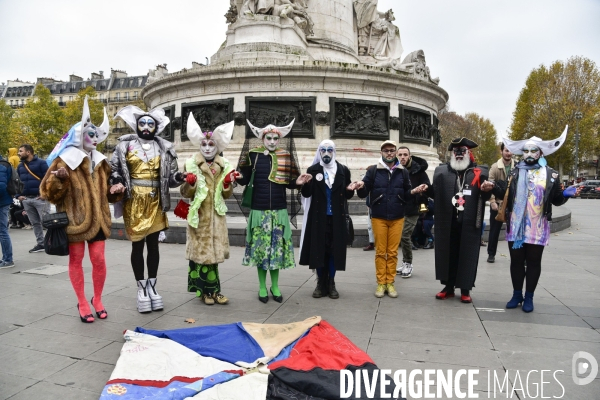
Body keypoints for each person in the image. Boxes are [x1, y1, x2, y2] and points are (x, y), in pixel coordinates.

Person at [40, 97, 121, 323]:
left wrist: (116, 190)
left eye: (97, 135)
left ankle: (97, 298)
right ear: (79, 136)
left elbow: (108, 195)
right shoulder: (63, 161)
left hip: (99, 220)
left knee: (99, 259)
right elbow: (48, 193)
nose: (95, 139)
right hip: (75, 221)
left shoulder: (103, 162)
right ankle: (82, 301)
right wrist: (60, 180)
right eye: (90, 134)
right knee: (76, 259)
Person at [490, 127, 581, 313]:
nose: (529, 154)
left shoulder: (551, 174)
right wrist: (490, 187)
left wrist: (566, 193)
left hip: (537, 226)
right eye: (526, 151)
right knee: (515, 261)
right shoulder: (514, 172)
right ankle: (517, 294)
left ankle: (529, 296)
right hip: (516, 225)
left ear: (541, 152)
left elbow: (555, 199)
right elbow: (505, 193)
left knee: (533, 262)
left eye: (533, 151)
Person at [110, 106, 187, 313]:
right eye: (142, 123)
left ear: (156, 127)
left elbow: (170, 179)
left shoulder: (165, 148)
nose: (145, 127)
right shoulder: (124, 146)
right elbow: (114, 169)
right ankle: (141, 288)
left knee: (154, 245)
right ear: (136, 126)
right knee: (137, 245)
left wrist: (179, 178)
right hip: (133, 201)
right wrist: (116, 181)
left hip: (156, 201)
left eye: (150, 124)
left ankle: (152, 286)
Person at [236, 119, 311, 303]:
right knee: (261, 252)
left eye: (275, 138)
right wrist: (237, 177)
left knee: (276, 252)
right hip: (259, 211)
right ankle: (262, 287)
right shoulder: (253, 155)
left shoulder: (285, 156)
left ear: (279, 140)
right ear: (262, 139)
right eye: (268, 138)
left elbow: (289, 182)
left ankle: (275, 286)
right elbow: (245, 179)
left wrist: (298, 182)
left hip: (279, 212)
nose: (271, 141)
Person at [350, 140, 425, 298]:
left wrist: (413, 192)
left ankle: (390, 283)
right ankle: (380, 283)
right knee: (380, 252)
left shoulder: (402, 171)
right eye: (386, 151)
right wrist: (361, 185)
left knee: (392, 253)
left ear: (395, 152)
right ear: (381, 153)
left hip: (397, 216)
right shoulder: (374, 171)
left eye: (392, 150)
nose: (389, 153)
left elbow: (405, 194)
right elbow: (364, 193)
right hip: (378, 217)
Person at [180, 115, 237, 306]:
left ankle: (214, 290)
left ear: (217, 146)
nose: (206, 147)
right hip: (200, 217)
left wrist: (228, 184)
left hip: (216, 217)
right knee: (202, 256)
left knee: (212, 257)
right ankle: (206, 291)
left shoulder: (224, 166)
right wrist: (191, 184)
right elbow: (185, 192)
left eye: (211, 144)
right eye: (203, 144)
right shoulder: (191, 164)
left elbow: (226, 195)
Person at [429, 138, 493, 303]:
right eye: (455, 151)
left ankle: (465, 289)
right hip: (448, 221)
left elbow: (485, 195)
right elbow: (434, 192)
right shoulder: (442, 172)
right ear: (451, 154)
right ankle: (448, 287)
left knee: (468, 254)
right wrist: (423, 191)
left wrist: (488, 190)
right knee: (447, 253)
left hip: (469, 222)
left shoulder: (479, 172)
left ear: (468, 153)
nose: (458, 154)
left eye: (462, 151)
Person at [299, 140, 354, 299]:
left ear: (334, 151)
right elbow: (307, 194)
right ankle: (320, 283)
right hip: (318, 218)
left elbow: (347, 194)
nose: (326, 153)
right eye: (323, 150)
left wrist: (350, 190)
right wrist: (305, 184)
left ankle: (331, 282)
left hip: (336, 218)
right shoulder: (313, 169)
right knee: (319, 251)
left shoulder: (343, 170)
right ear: (319, 152)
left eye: (330, 150)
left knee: (333, 251)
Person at [396, 146, 431, 278]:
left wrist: (424, 187)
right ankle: (405, 262)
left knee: (405, 235)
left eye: (405, 154)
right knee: (400, 236)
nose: (403, 157)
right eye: (400, 155)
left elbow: (427, 184)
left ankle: (408, 263)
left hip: (413, 208)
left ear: (409, 156)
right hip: (399, 207)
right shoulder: (395, 170)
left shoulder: (418, 170)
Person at [15, 144, 50, 253]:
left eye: (21, 151)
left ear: (28, 152)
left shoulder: (41, 163)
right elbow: (17, 181)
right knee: (35, 223)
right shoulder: (20, 166)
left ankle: (53, 242)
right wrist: (18, 195)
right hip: (26, 199)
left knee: (47, 222)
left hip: (40, 198)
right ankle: (41, 243)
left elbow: (49, 179)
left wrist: (45, 194)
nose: (19, 153)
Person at [486, 143, 514, 263]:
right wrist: (492, 201)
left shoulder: (517, 167)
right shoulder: (494, 167)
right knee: (494, 231)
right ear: (501, 151)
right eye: (506, 151)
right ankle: (491, 254)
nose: (508, 153)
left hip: (512, 204)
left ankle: (516, 255)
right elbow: (489, 185)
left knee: (514, 231)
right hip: (498, 203)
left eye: (510, 151)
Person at [0, 155, 15, 269]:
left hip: (2, 202)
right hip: (4, 200)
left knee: (2, 231)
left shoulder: (1, 165)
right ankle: (5, 258)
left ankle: (8, 259)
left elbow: (1, 185)